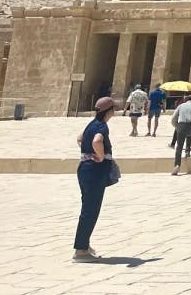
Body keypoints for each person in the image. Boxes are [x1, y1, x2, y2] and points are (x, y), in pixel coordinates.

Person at [73, 96, 117, 261]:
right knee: (90, 210)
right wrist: (99, 156)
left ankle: (84, 244)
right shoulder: (101, 127)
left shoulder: (91, 123)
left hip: (85, 169)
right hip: (94, 172)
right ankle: (81, 250)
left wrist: (87, 154)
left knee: (88, 208)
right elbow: (97, 141)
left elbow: (79, 138)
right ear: (109, 111)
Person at [170, 94, 191, 176]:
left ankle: (177, 165)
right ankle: (188, 151)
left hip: (181, 125)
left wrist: (176, 126)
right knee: (189, 134)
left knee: (179, 147)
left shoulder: (181, 106)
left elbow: (174, 118)